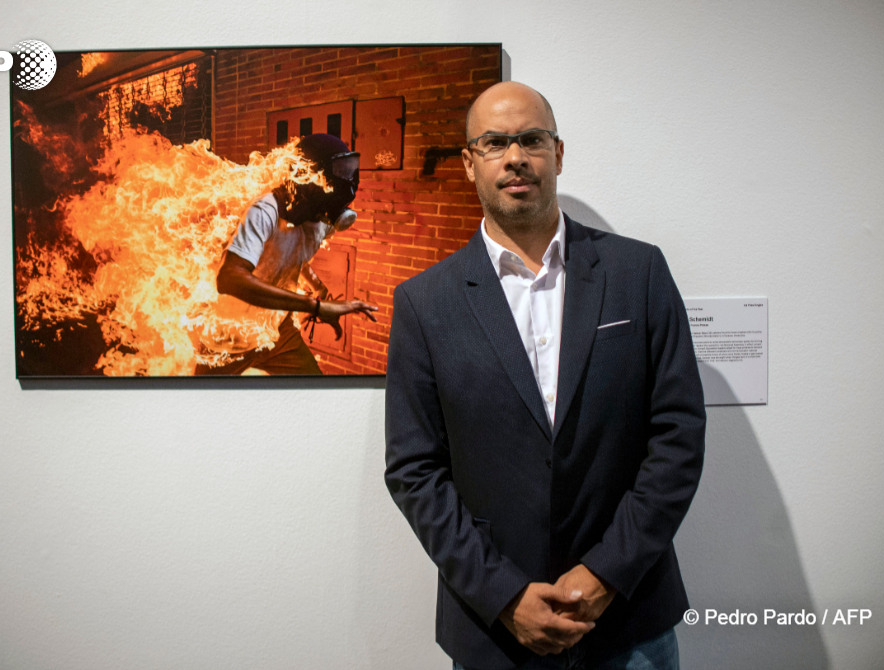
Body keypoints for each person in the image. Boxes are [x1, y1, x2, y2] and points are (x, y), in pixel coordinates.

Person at [384, 82, 706, 669]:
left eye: (532, 139)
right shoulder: (425, 303)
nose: (516, 157)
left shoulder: (638, 272)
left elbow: (678, 435)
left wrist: (606, 573)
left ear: (557, 154)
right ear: (469, 163)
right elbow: (414, 469)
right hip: (494, 631)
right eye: (494, 142)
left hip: (629, 621)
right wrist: (504, 595)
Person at [195, 133, 377, 376]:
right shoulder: (264, 212)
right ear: (308, 175)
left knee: (316, 389)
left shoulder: (322, 221)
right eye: (340, 170)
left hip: (277, 330)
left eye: (350, 169)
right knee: (205, 399)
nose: (347, 181)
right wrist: (315, 306)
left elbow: (293, 254)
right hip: (230, 336)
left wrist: (318, 288)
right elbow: (230, 277)